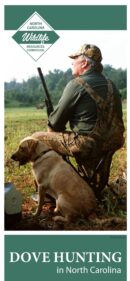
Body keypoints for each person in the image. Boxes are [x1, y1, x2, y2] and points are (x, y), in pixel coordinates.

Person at [33, 44, 124, 192]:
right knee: (93, 160)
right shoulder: (111, 84)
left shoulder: (76, 84)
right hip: (112, 142)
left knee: (36, 138)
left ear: (85, 63)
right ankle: (92, 183)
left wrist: (51, 130)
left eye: (74, 59)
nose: (72, 63)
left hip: (86, 144)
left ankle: (48, 191)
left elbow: (55, 124)